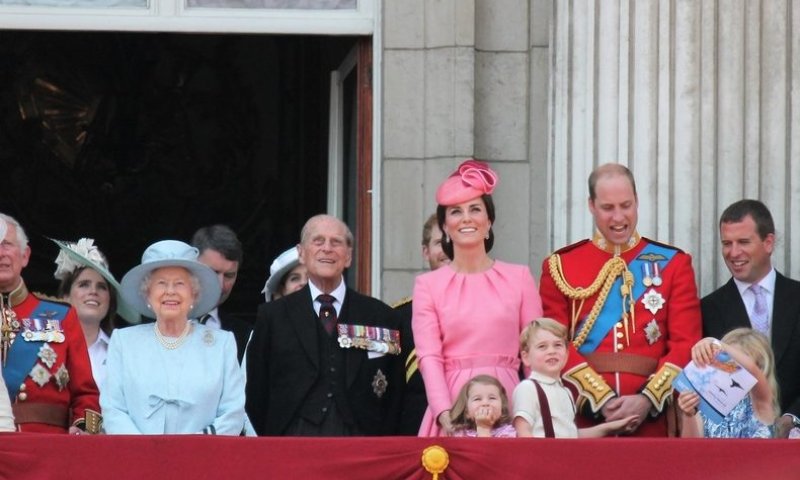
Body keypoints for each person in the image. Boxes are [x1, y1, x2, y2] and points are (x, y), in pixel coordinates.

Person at [539, 163, 702, 437]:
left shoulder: (673, 263)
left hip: (653, 419)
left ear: (637, 202)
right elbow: (553, 344)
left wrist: (648, 399)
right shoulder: (560, 266)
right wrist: (599, 399)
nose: (618, 217)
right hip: (584, 418)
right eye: (607, 207)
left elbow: (686, 342)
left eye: (626, 205)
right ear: (591, 205)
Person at [412, 159, 543, 436]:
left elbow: (534, 354)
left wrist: (533, 412)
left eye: (475, 209)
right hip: (452, 403)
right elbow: (429, 358)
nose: (467, 218)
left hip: (510, 400)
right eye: (456, 212)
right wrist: (444, 414)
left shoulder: (519, 278)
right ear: (445, 226)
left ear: (489, 221)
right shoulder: (427, 285)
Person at [246, 214, 403, 436]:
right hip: (292, 442)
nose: (327, 248)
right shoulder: (272, 317)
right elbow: (256, 392)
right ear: (301, 253)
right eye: (318, 241)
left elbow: (395, 393)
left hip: (362, 443)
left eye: (336, 242)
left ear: (348, 256)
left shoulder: (381, 316)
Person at [101, 240, 245, 435]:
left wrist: (192, 448)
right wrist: (144, 450)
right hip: (138, 458)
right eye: (161, 283)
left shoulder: (221, 344)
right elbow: (113, 409)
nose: (170, 291)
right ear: (148, 294)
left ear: (194, 294)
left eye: (180, 283)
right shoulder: (124, 342)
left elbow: (233, 413)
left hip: (203, 458)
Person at [701, 199, 800, 438]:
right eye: (727, 243)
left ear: (768, 242)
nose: (733, 253)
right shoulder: (707, 309)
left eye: (743, 242)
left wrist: (791, 418)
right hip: (738, 450)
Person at [0, 213, 99, 433]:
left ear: (25, 256)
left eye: (6, 244)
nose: (1, 253)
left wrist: (85, 429)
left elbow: (87, 395)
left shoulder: (61, 316)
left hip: (46, 448)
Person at [513, 318, 638, 438]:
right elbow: (523, 432)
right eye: (542, 346)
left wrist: (608, 428)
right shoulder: (527, 388)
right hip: (541, 457)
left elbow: (571, 435)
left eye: (557, 345)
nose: (551, 351)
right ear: (526, 357)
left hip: (563, 458)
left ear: (567, 353)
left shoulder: (566, 392)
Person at [52, 238, 140, 391]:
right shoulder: (45, 345)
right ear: (66, 296)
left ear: (109, 301)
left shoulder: (123, 353)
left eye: (101, 287)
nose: (93, 292)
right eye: (84, 284)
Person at [394, 213, 449, 435]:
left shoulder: (490, 309)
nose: (447, 248)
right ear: (425, 251)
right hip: (414, 434)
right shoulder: (398, 317)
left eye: (454, 240)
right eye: (439, 242)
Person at [677, 328, 778, 438]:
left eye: (736, 364)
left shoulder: (760, 402)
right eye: (725, 361)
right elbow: (691, 448)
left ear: (762, 367)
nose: (731, 368)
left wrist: (715, 344)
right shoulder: (706, 403)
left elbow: (753, 370)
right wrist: (688, 415)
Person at [191, 225, 252, 363]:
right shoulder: (154, 324)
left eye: (229, 275)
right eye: (213, 272)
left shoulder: (245, 334)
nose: (220, 284)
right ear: (192, 267)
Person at [449, 374, 516, 437]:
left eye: (492, 398)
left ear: (502, 408)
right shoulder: (460, 435)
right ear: (466, 412)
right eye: (477, 399)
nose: (485, 403)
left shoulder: (508, 433)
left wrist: (483, 428)